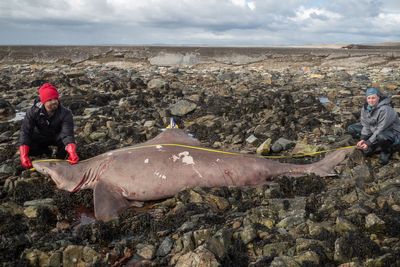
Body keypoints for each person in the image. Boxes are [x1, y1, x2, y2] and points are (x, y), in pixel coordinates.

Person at [19, 83, 79, 169]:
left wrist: (71, 150)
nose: (54, 101)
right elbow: (25, 132)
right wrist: (23, 155)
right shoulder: (33, 112)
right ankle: (46, 151)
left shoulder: (66, 113)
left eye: (55, 98)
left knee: (69, 146)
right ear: (43, 101)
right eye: (50, 100)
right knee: (29, 145)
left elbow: (67, 134)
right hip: (41, 136)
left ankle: (59, 158)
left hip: (57, 137)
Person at [348, 87, 400, 165]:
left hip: (391, 132)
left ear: (378, 97)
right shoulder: (365, 108)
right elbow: (366, 125)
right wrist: (363, 139)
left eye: (373, 98)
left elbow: (381, 129)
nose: (371, 100)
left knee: (381, 136)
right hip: (375, 130)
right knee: (351, 128)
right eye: (369, 98)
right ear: (366, 98)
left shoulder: (385, 109)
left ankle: (386, 151)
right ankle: (374, 146)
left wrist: (368, 143)